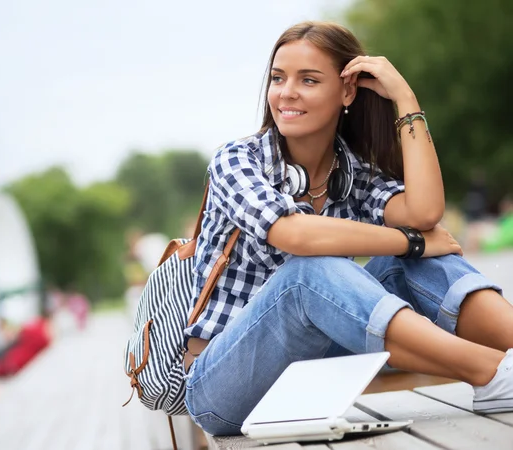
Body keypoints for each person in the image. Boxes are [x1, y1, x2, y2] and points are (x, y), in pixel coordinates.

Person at [182, 21, 513, 436]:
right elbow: (296, 236)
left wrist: (405, 100)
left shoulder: (353, 173)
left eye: (308, 80)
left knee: (416, 262)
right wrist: (408, 242)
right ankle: (491, 372)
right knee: (309, 273)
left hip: (313, 377)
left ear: (347, 92)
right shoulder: (236, 161)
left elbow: (426, 213)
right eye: (278, 78)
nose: (286, 93)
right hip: (223, 388)